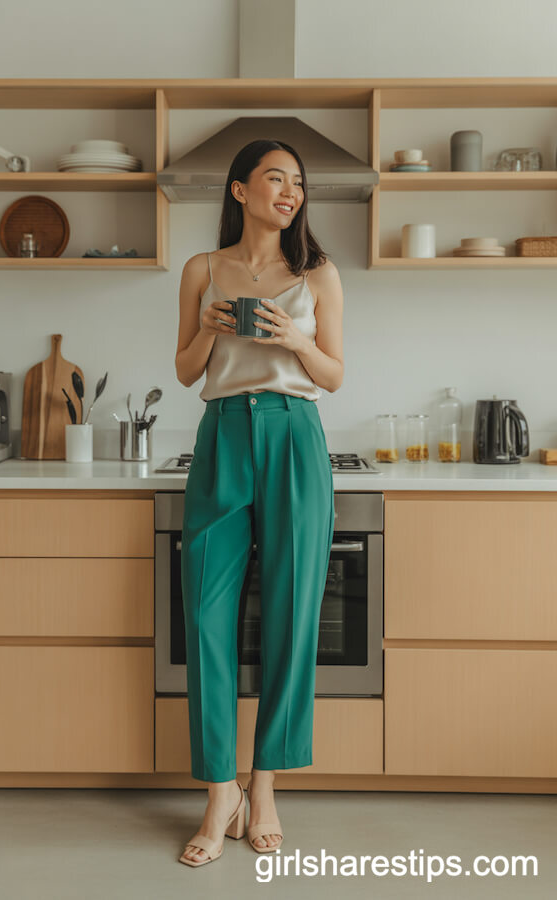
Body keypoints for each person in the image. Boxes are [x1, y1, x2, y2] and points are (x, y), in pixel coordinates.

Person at [174, 138, 344, 867]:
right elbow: (183, 370)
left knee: (291, 610)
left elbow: (334, 375)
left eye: (298, 183)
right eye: (276, 179)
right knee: (206, 614)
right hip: (222, 437)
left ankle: (264, 785)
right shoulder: (203, 270)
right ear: (239, 190)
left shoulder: (317, 272)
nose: (290, 192)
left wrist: (294, 341)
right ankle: (220, 791)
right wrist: (210, 333)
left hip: (294, 436)